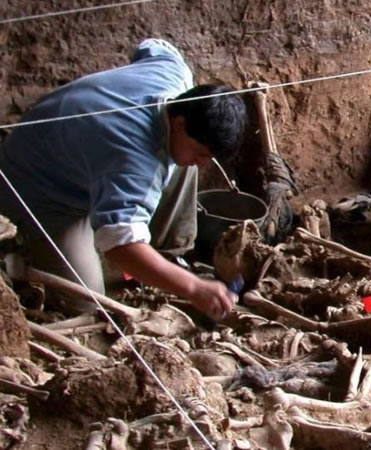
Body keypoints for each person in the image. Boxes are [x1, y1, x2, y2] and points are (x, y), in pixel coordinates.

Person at [0, 39, 247, 320]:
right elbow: (120, 247)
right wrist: (192, 287)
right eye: (202, 153)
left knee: (184, 161)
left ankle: (168, 255)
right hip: (38, 190)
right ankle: (21, 253)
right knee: (86, 304)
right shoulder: (133, 163)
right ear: (179, 123)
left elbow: (154, 45)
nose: (203, 164)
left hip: (66, 148)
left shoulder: (173, 75)